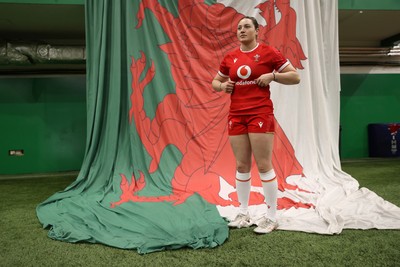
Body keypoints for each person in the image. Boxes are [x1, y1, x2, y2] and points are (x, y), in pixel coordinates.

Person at [211, 16, 300, 234]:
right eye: (239, 28)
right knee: (241, 165)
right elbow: (215, 82)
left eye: (247, 26)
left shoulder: (269, 53)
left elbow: (295, 77)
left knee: (263, 165)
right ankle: (243, 212)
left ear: (257, 31)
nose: (242, 30)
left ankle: (271, 217)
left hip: (260, 113)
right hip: (236, 115)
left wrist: (273, 76)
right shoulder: (230, 57)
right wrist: (223, 86)